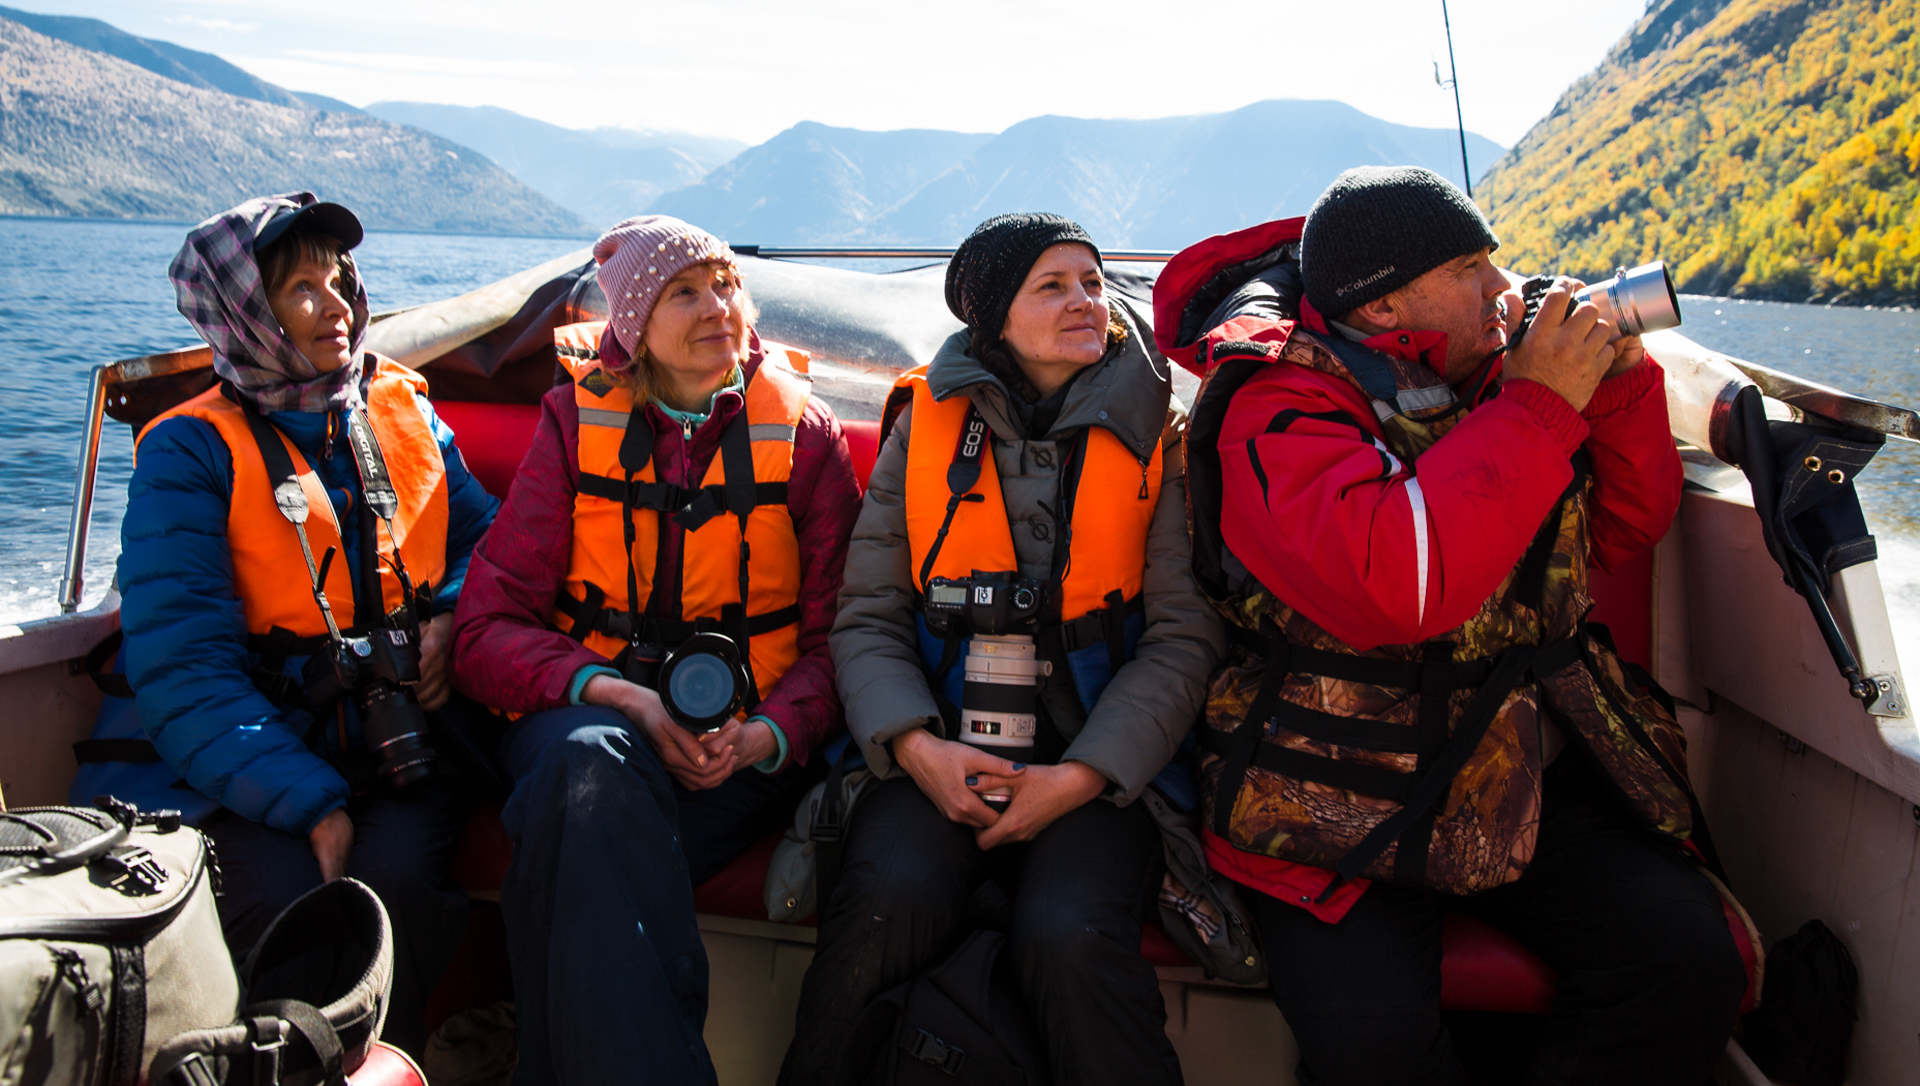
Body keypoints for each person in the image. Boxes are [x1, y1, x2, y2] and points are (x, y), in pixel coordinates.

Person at [1155, 166, 1748, 1085]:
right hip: (1331, 794)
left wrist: (1617, 386)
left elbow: (1623, 530)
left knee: (1686, 966)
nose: (1502, 289)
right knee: (1376, 1052)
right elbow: (1396, 587)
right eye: (1471, 269)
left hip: (1517, 763)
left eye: (1494, 261)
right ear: (1385, 305)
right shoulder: (1273, 406)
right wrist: (1539, 405)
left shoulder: (1494, 369)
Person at [780, 214, 1224, 1086]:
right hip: (941, 749)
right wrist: (916, 749)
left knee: (1070, 934)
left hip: (1102, 765)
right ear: (993, 319)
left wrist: (1083, 777)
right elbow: (868, 616)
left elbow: (1183, 636)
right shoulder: (924, 423)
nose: (1085, 300)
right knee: (886, 898)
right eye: (1051, 286)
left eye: (1092, 282)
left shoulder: (1161, 433)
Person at [70, 192, 499, 1055]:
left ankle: (389, 1065)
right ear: (244, 312)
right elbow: (184, 669)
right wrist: (309, 802)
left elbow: (484, 542)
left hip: (397, 741)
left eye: (338, 280)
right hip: (246, 751)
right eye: (302, 288)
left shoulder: (402, 410)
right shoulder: (187, 451)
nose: (337, 305)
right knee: (283, 898)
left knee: (397, 887)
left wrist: (453, 614)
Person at [451, 215, 862, 1086]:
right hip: (586, 727)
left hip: (736, 757)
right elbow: (485, 634)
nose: (718, 307)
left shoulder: (807, 438)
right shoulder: (573, 424)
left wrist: (767, 735)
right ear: (636, 325)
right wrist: (616, 693)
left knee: (579, 840)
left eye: (726, 285)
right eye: (684, 292)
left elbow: (843, 642)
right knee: (589, 772)